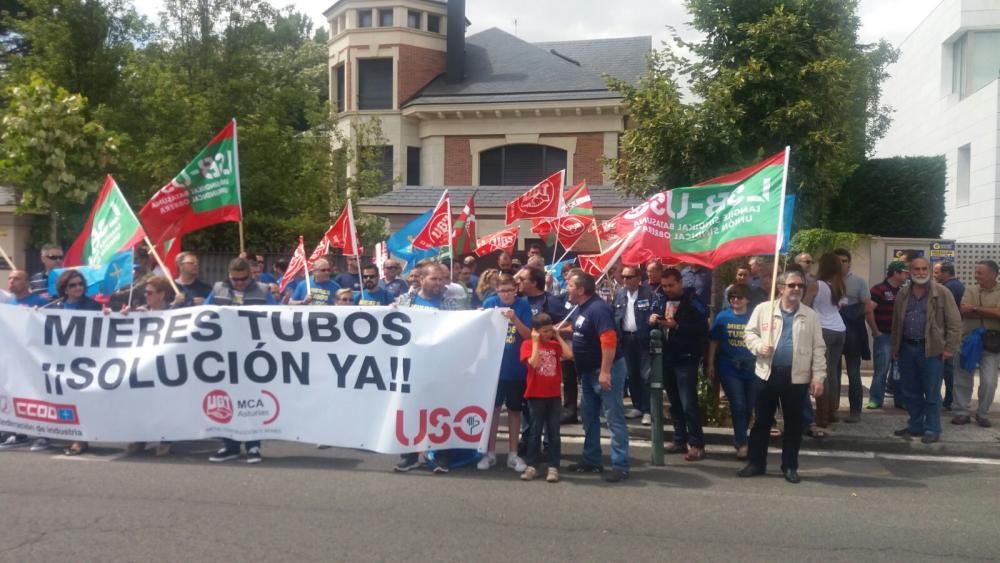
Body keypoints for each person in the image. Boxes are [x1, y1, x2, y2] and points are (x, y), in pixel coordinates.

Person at [741, 271, 826, 483]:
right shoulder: (763, 310)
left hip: (796, 377)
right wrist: (759, 346)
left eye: (800, 286)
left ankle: (790, 466)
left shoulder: (811, 315)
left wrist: (818, 377)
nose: (796, 289)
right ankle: (755, 463)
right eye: (792, 285)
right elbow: (749, 334)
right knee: (761, 422)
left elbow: (818, 348)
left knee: (793, 424)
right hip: (766, 374)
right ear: (781, 288)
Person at [205, 258, 276, 464]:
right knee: (226, 398)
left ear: (250, 275)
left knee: (252, 400)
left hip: (252, 354)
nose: (239, 283)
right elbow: (205, 315)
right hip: (224, 353)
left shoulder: (263, 291)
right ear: (229, 276)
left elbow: (277, 317)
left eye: (243, 279)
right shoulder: (218, 289)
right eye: (235, 279)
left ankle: (253, 445)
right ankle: (230, 445)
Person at [562, 271, 630, 482]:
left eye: (570, 286)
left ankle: (620, 465)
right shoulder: (581, 308)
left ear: (581, 290)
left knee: (613, 417)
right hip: (587, 372)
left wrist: (605, 371)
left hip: (603, 371)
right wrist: (560, 330)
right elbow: (578, 328)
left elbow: (608, 340)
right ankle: (591, 459)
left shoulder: (598, 309)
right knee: (589, 416)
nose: (567, 289)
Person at [394, 264, 462, 473]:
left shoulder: (450, 304)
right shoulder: (407, 301)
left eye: (442, 279)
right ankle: (410, 456)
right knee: (411, 410)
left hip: (441, 366)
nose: (439, 283)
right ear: (421, 279)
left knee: (440, 411)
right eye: (434, 279)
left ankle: (441, 456)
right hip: (413, 365)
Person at [891, 257, 962, 443]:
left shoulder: (943, 292)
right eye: (916, 269)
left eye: (924, 269)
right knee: (910, 391)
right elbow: (897, 323)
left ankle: (932, 429)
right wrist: (895, 347)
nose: (920, 272)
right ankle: (915, 426)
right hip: (907, 348)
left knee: (931, 392)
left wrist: (949, 349)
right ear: (910, 271)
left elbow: (955, 323)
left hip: (932, 350)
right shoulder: (903, 293)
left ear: (929, 270)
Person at [121, 276, 185, 456]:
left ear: (162, 295)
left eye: (150, 293)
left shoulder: (175, 312)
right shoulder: (140, 312)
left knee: (164, 401)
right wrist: (124, 316)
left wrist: (175, 305)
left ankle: (166, 438)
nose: (146, 296)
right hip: (143, 365)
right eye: (145, 293)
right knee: (141, 401)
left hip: (165, 364)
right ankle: (140, 437)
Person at [650, 267, 709, 461]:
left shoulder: (693, 301)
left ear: (680, 283)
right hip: (666, 357)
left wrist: (677, 326)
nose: (667, 289)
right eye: (664, 285)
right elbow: (652, 317)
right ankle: (679, 438)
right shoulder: (661, 299)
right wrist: (652, 319)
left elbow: (702, 328)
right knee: (674, 402)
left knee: (688, 403)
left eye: (671, 285)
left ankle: (697, 444)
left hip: (686, 357)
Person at [477, 275, 532, 472]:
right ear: (497, 291)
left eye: (510, 290)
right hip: (493, 369)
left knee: (514, 412)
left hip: (516, 368)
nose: (507, 294)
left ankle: (513, 454)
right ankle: (490, 453)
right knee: (492, 411)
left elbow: (528, 336)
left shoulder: (523, 306)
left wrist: (515, 319)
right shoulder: (490, 303)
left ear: (516, 290)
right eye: (503, 291)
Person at [48, 269, 102, 456]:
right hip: (61, 360)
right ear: (64, 289)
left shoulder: (93, 306)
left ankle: (81, 439)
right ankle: (73, 435)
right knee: (67, 400)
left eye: (80, 284)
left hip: (85, 361)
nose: (78, 287)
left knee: (83, 399)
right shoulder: (54, 307)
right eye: (73, 285)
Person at [0, 270, 52, 451]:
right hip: (15, 359)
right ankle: (19, 433)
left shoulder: (41, 302)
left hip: (36, 358)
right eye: (10, 278)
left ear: (27, 282)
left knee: (39, 396)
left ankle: (44, 434)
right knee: (18, 395)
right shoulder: (8, 303)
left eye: (16, 279)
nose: (11, 281)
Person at [519, 313, 572, 482]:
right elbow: (534, 363)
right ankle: (532, 465)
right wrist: (535, 342)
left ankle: (553, 465)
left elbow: (569, 355)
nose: (548, 334)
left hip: (554, 395)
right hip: (535, 395)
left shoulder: (554, 345)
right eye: (544, 331)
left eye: (550, 330)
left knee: (554, 432)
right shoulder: (527, 345)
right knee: (535, 431)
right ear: (536, 331)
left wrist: (557, 335)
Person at [707, 283, 756, 459]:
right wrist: (711, 364)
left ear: (747, 299)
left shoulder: (755, 316)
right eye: (732, 297)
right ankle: (742, 442)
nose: (735, 300)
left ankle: (741, 436)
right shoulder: (722, 317)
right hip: (729, 366)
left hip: (751, 366)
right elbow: (714, 342)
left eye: (739, 297)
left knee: (749, 405)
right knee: (738, 404)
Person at [953, 260, 1000, 427]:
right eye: (976, 272)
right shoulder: (970, 289)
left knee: (989, 381)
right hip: (968, 340)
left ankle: (983, 413)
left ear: (994, 274)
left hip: (992, 343)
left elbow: (999, 313)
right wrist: (990, 311)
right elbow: (963, 310)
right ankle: (961, 412)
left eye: (980, 273)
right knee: (962, 378)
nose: (976, 275)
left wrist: (975, 308)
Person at [803, 253, 846, 432]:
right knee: (833, 372)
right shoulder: (840, 285)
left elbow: (805, 305)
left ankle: (822, 415)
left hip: (823, 329)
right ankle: (833, 411)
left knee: (821, 373)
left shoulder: (817, 285)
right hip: (839, 329)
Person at [834, 248, 873, 423]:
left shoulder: (858, 282)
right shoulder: (826, 282)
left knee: (853, 373)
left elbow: (869, 305)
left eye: (844, 260)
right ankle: (830, 410)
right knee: (831, 374)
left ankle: (855, 411)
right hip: (832, 333)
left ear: (849, 263)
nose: (841, 264)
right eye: (838, 260)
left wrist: (850, 312)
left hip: (853, 332)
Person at [613, 266, 653, 424]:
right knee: (631, 374)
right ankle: (637, 406)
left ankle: (647, 410)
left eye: (629, 277)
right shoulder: (619, 294)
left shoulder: (649, 294)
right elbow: (614, 315)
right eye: (623, 277)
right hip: (625, 339)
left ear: (638, 278)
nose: (625, 280)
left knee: (645, 375)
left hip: (642, 339)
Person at [867, 262, 909, 410]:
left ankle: (900, 400)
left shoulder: (903, 292)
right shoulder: (878, 290)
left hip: (900, 337)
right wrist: (876, 331)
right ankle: (876, 399)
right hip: (884, 335)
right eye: (905, 272)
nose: (907, 276)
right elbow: (868, 310)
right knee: (881, 369)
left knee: (899, 370)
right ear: (896, 273)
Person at [934, 261, 965, 410]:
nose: (935, 275)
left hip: (946, 334)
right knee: (949, 369)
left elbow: (946, 314)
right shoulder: (959, 286)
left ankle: (946, 400)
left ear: (946, 273)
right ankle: (949, 399)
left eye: (937, 272)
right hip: (953, 333)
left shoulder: (946, 289)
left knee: (943, 369)